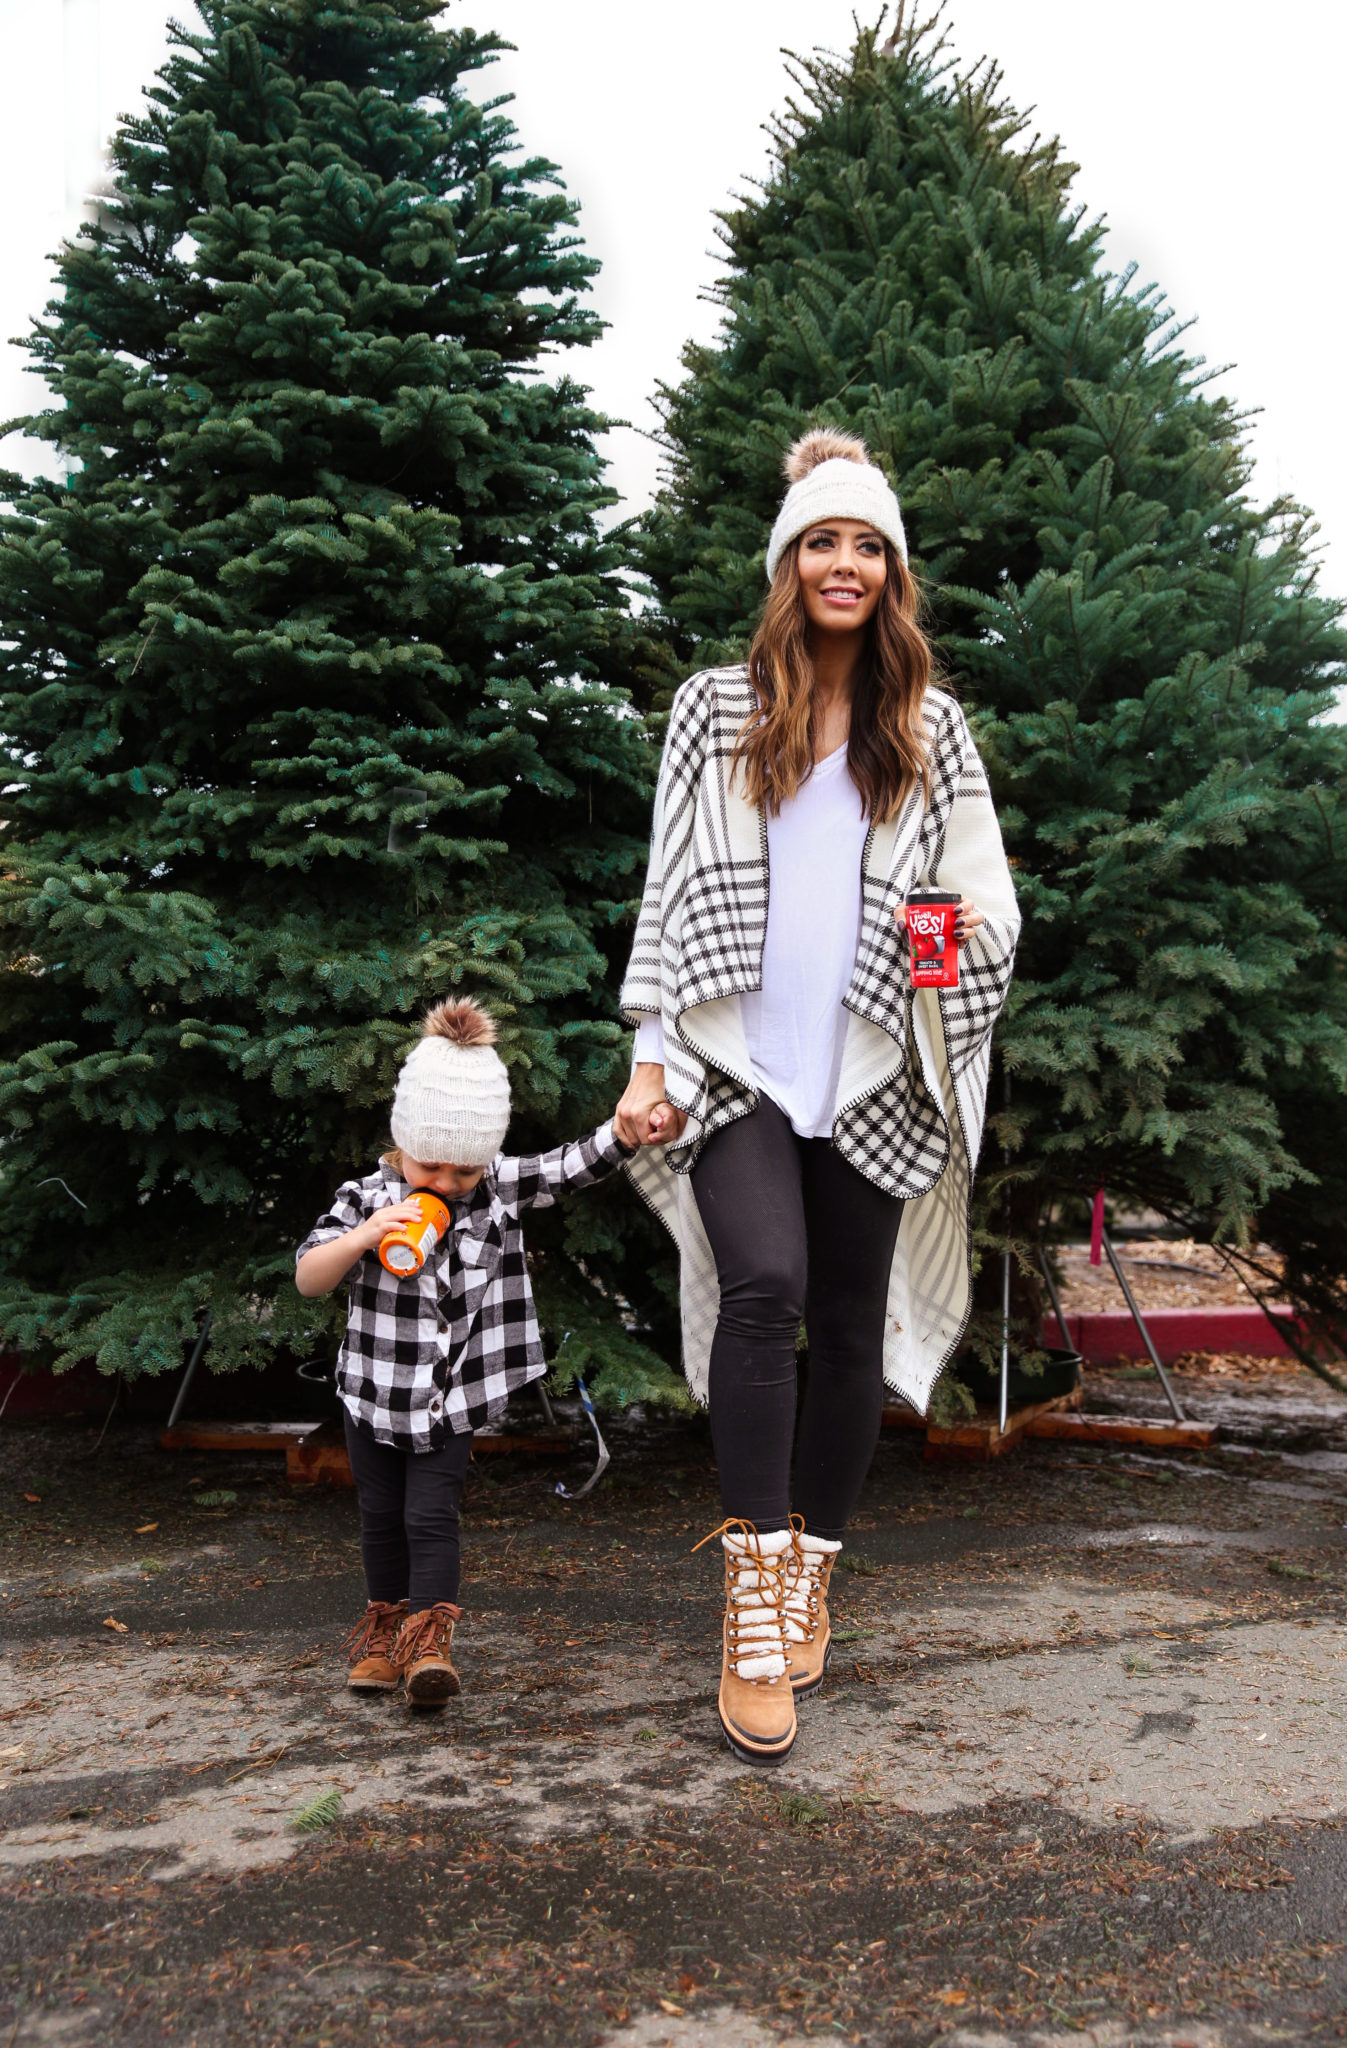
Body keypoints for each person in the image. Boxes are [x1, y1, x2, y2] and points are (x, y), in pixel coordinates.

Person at [614, 428, 1020, 1766]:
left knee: (847, 1324)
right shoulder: (710, 708)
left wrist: (925, 963)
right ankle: (752, 1605)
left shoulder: (931, 730)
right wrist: (651, 1056)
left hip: (870, 1070)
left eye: (867, 546)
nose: (843, 564)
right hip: (735, 1067)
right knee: (765, 1288)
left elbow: (980, 900)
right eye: (822, 542)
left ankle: (815, 1572)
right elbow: (669, 888)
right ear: (787, 564)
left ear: (890, 576)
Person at [296, 996, 634, 1707]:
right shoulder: (364, 1198)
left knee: (431, 1517)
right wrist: (362, 1238)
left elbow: (570, 1165)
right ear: (400, 1145)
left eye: (464, 1173)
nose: (445, 1185)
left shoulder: (498, 1190)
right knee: (380, 1518)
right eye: (430, 1169)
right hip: (372, 1396)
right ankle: (385, 1633)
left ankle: (428, 1645)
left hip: (452, 1401)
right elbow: (308, 1277)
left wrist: (628, 1134)